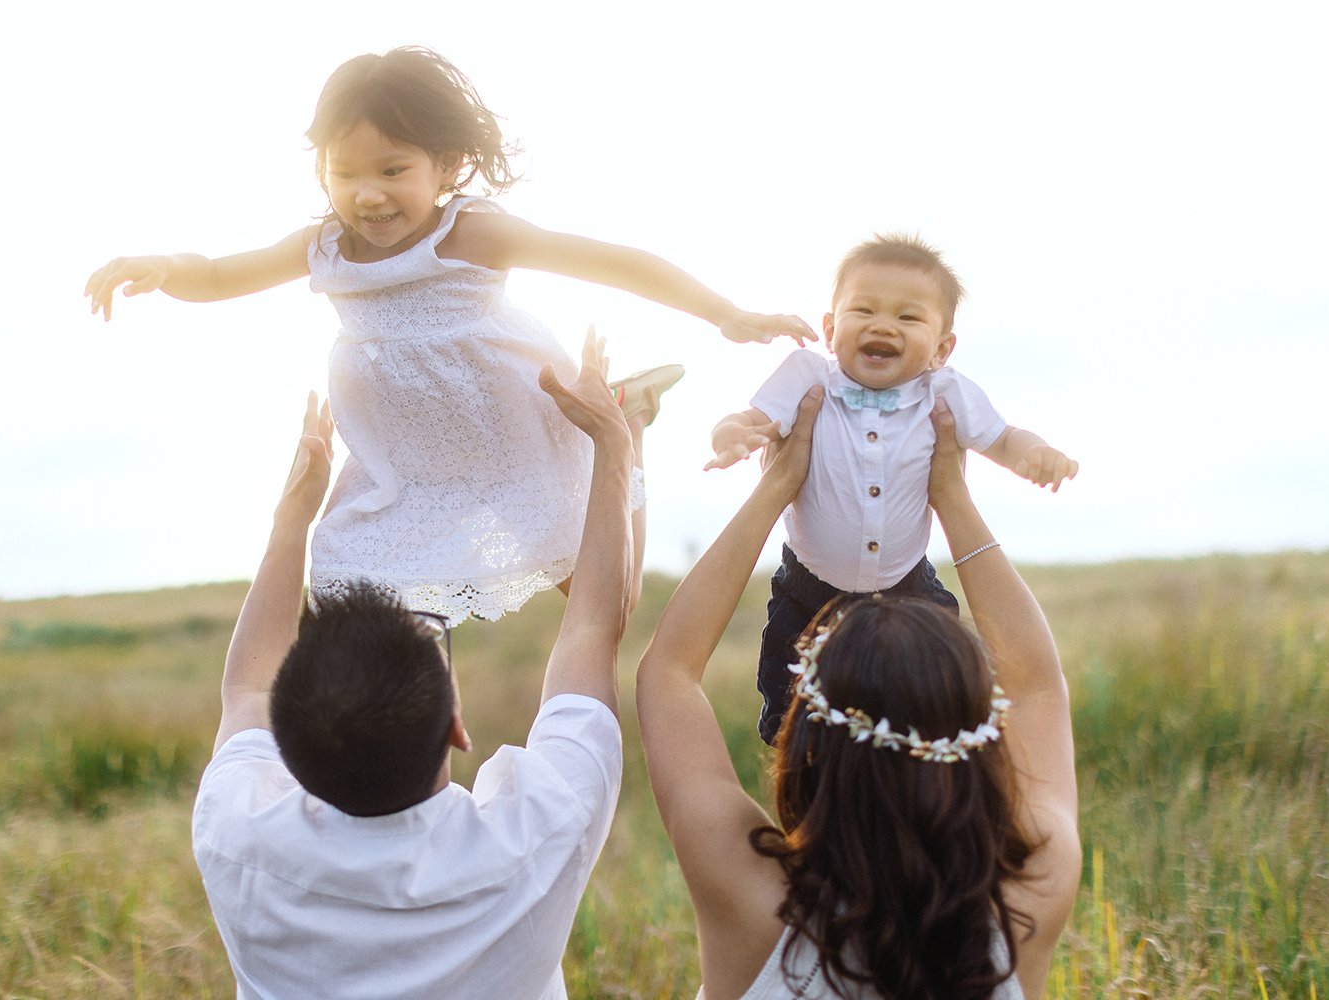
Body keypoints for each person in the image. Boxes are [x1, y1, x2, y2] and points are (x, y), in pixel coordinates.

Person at [85, 46, 812, 624]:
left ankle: (627, 425)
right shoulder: (324, 248)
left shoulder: (470, 234)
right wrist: (164, 267)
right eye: (344, 172)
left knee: (606, 606)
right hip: (403, 472)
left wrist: (725, 313)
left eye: (393, 169)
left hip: (518, 439)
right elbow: (219, 274)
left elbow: (613, 261)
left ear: (448, 166)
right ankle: (418, 738)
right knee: (349, 592)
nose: (368, 193)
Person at [191, 329, 637, 999]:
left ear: (287, 741)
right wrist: (613, 443)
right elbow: (594, 629)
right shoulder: (538, 838)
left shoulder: (238, 844)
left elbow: (248, 688)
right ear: (457, 727)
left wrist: (292, 523)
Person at [637, 389, 1081, 999]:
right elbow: (1038, 687)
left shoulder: (754, 900)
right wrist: (951, 497)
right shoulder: (1030, 894)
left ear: (805, 745)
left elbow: (669, 671)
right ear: (977, 745)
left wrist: (778, 487)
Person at [704, 235, 1078, 742]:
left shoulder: (945, 392)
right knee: (793, 711)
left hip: (907, 586)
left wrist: (1035, 454)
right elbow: (751, 418)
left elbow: (1005, 438)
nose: (883, 325)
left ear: (941, 348)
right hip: (809, 589)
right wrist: (731, 435)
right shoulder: (807, 378)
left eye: (908, 317)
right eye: (864, 310)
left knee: (937, 697)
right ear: (830, 328)